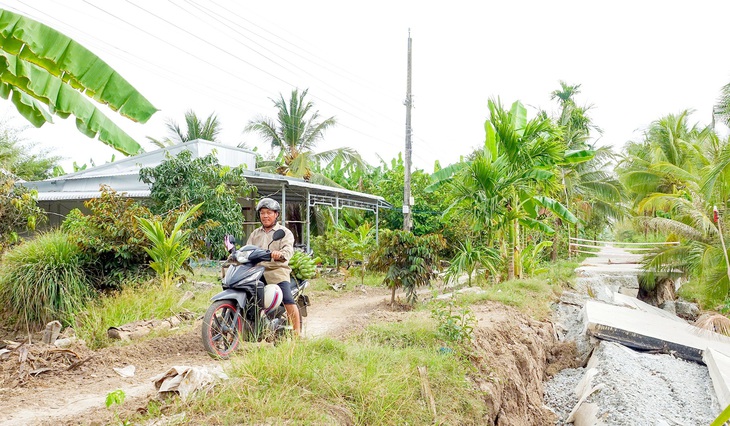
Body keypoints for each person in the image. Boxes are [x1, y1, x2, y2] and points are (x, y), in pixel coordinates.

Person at [246, 197, 301, 336]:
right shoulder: (255, 233)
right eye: (262, 212)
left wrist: (280, 254)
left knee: (287, 299)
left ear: (276, 214)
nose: (265, 216)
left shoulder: (284, 232)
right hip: (256, 272)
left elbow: (288, 250)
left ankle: (297, 333)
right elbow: (247, 249)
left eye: (269, 212)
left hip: (276, 271)